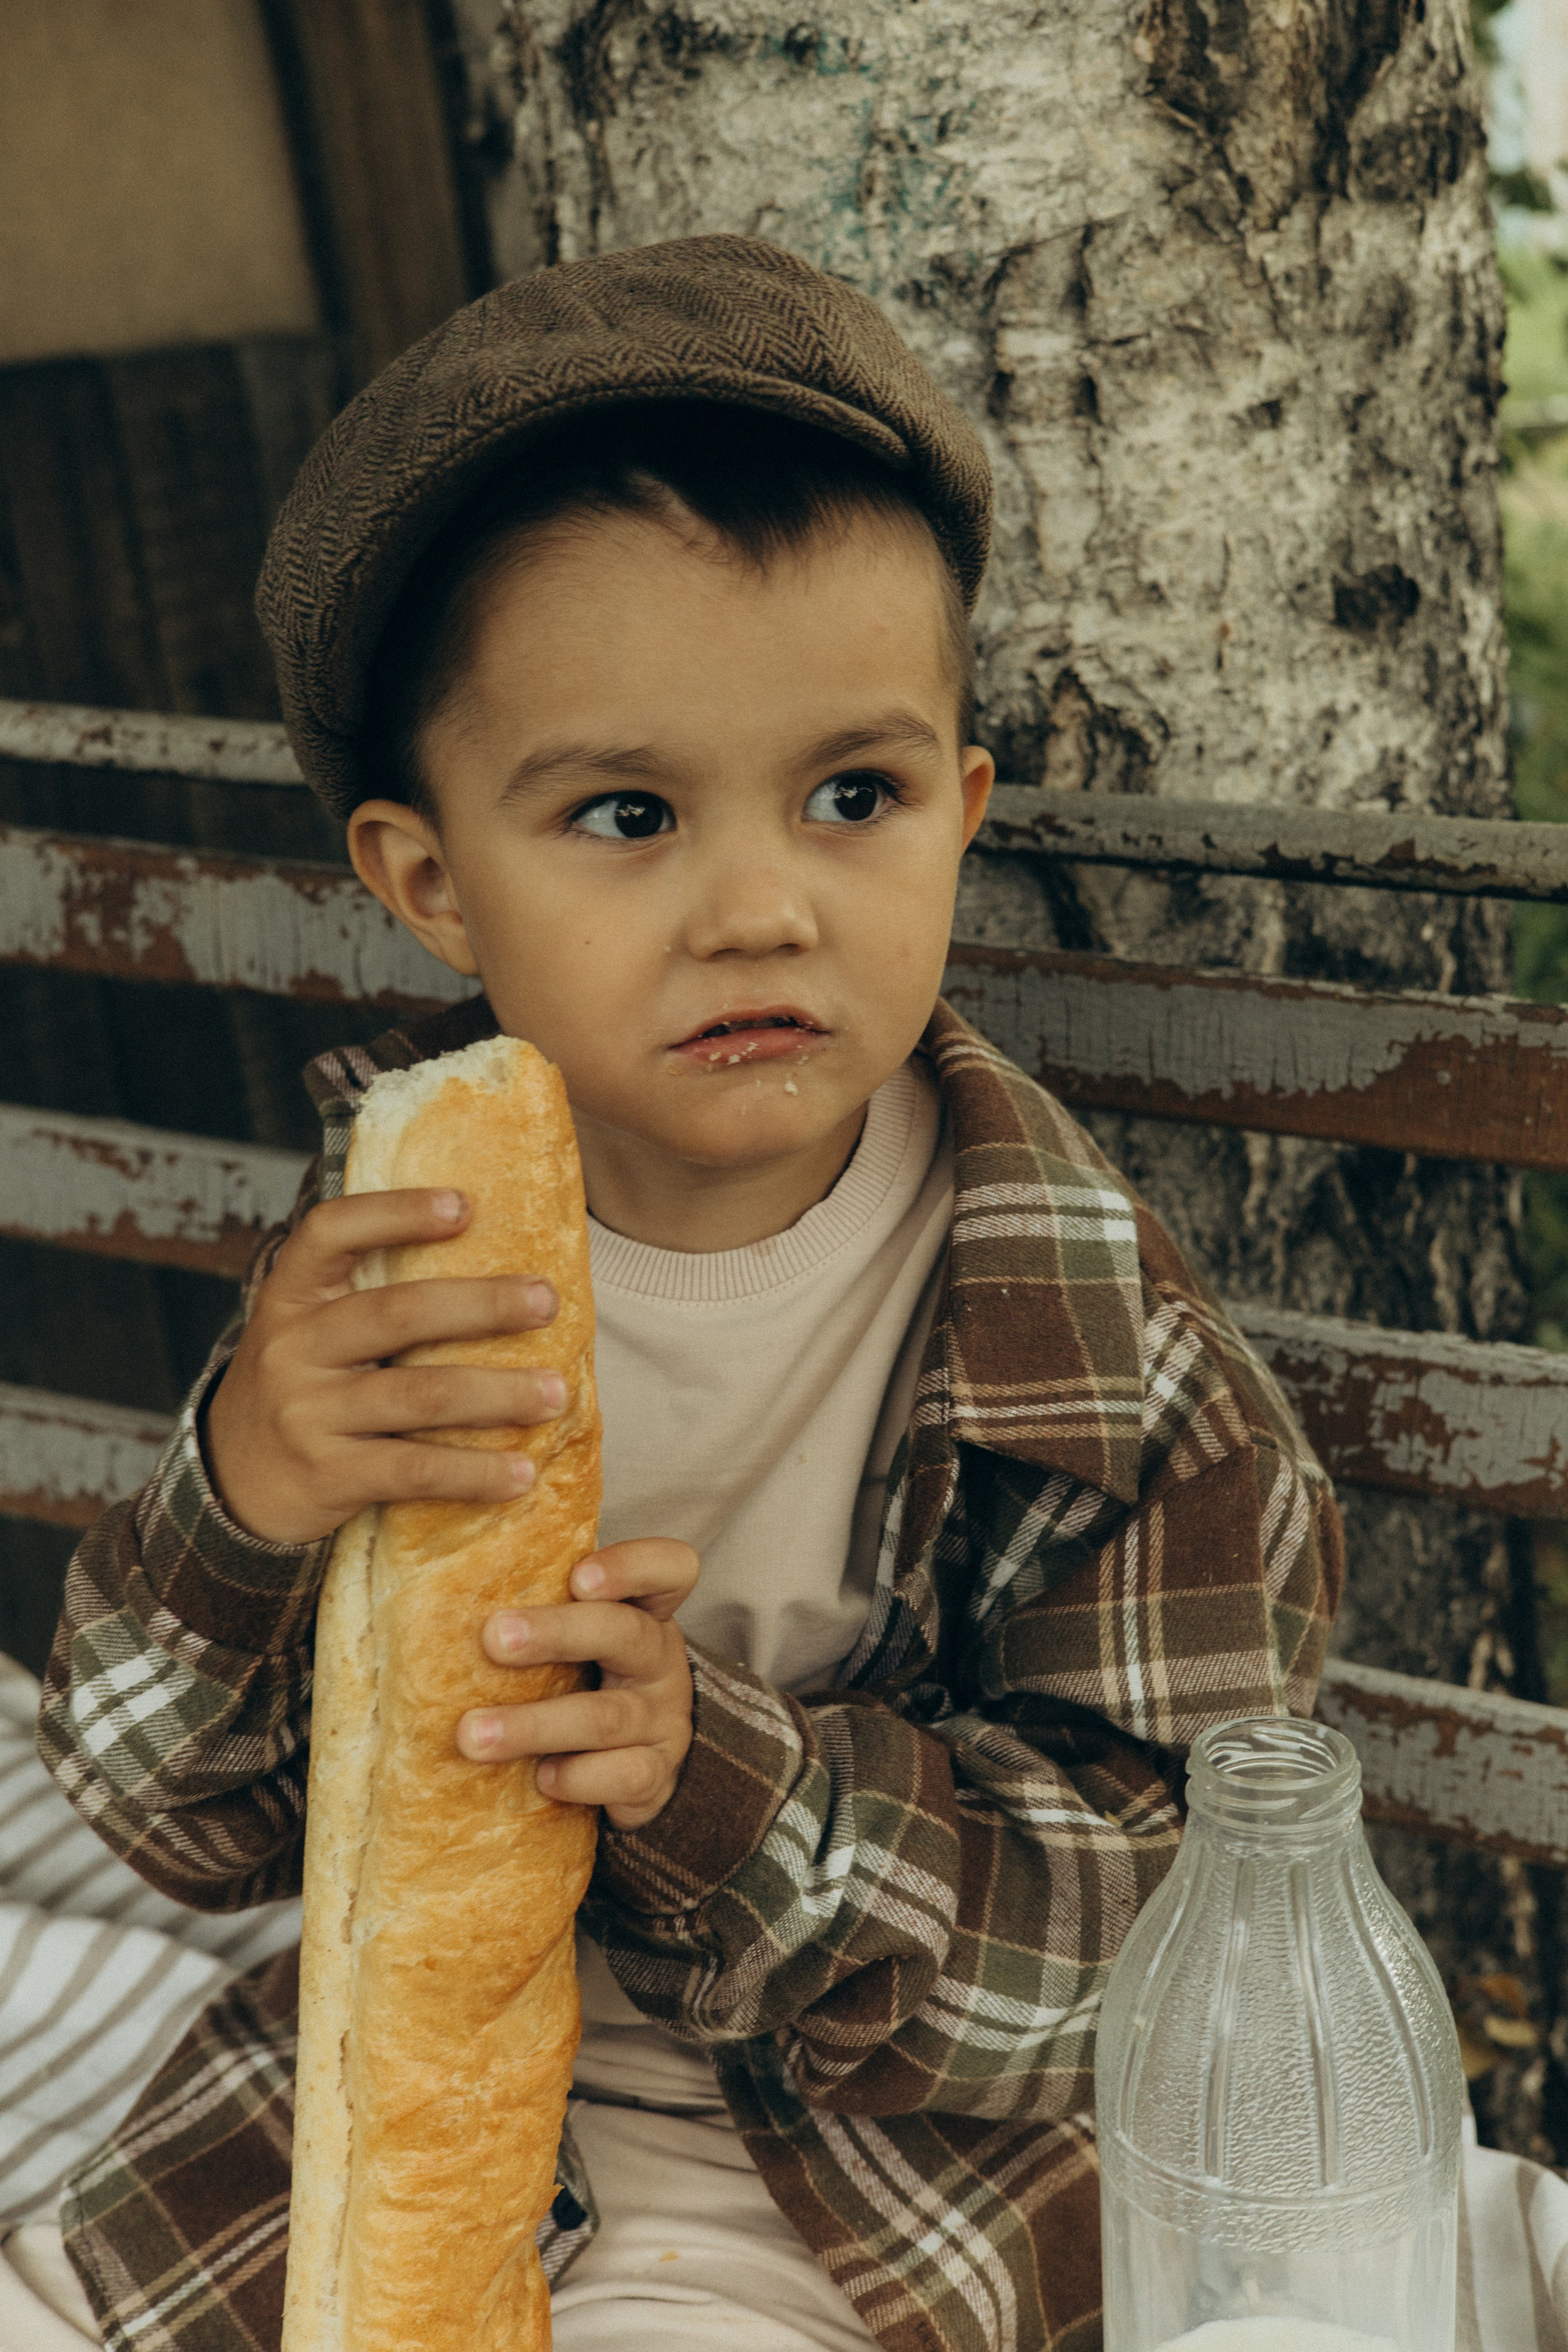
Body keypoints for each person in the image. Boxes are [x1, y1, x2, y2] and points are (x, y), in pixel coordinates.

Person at [36, 236, 1340, 2352]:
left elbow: (1153, 1925)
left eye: (856, 795)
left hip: (876, 2178)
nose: (760, 905)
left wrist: (722, 1777)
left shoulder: (1101, 1345)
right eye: (627, 814)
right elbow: (168, 1815)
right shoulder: (400, 1261)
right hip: (389, 2111)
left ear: (962, 812)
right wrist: (247, 1496)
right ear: (431, 879)